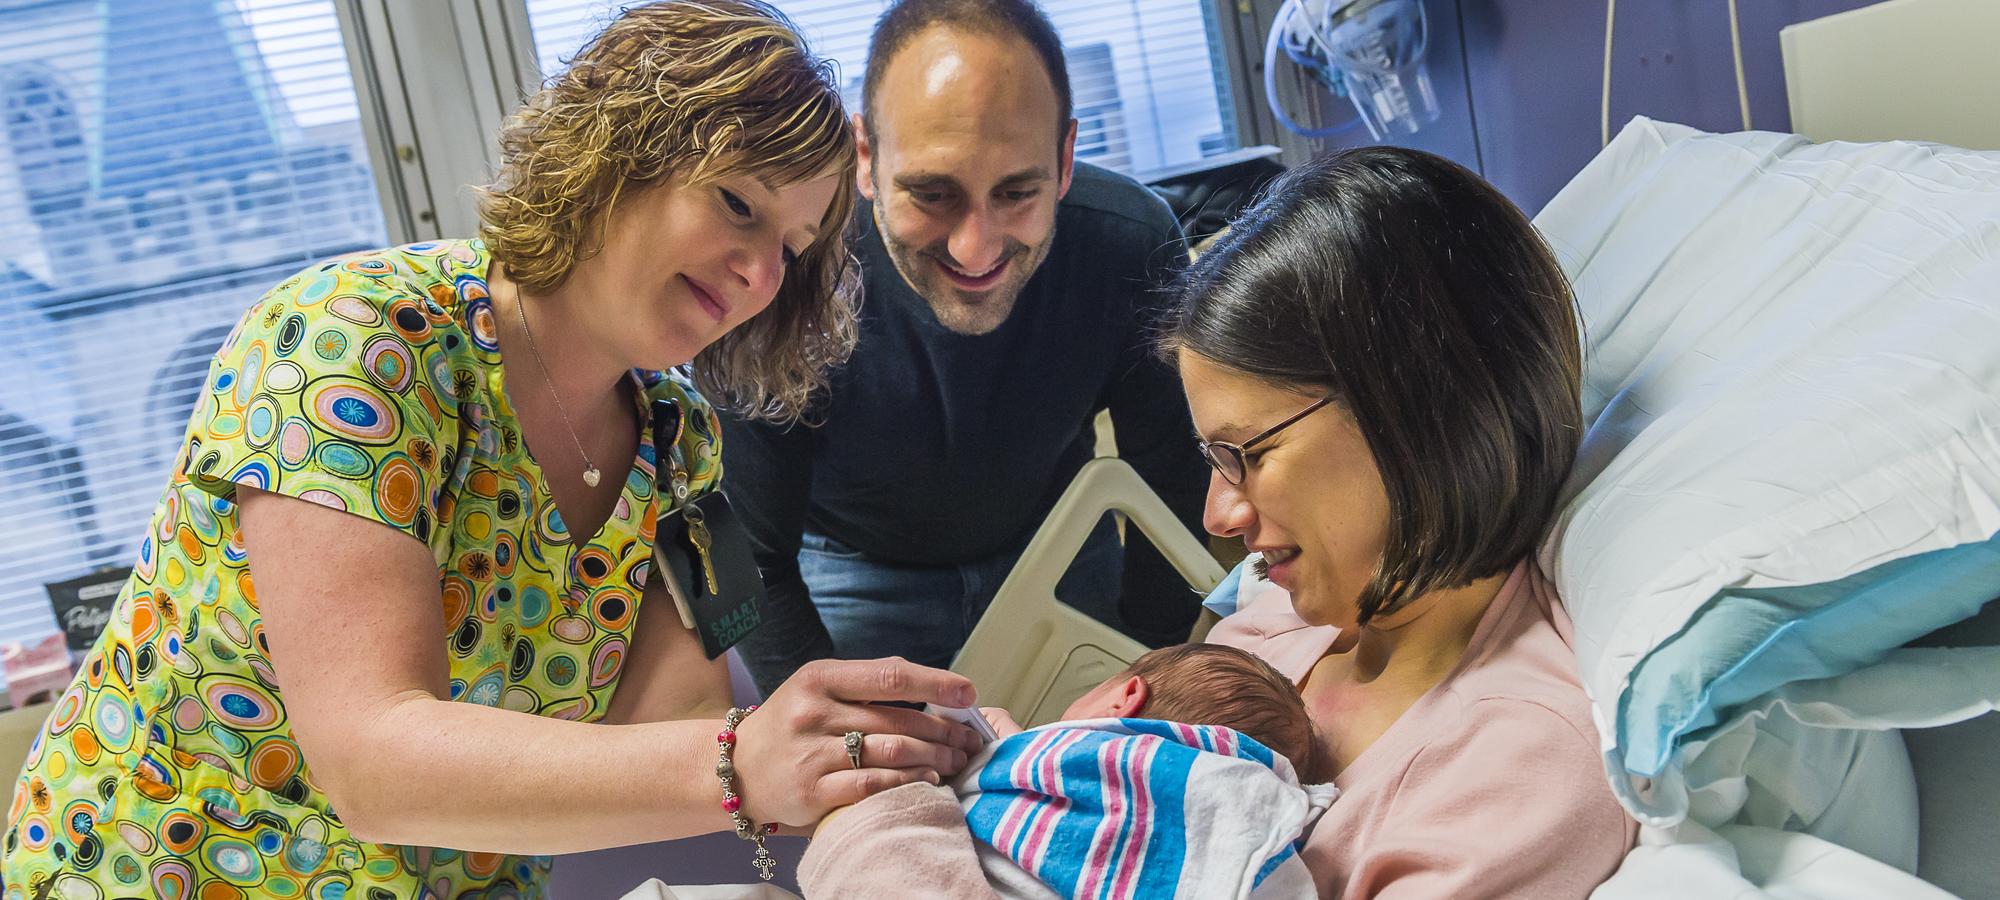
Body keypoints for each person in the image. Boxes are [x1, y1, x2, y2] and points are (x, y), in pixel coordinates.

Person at [2, 4, 984, 898]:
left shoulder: (678, 451)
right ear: (615, 152)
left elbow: (678, 734)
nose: (760, 269)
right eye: (737, 204)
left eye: (793, 243)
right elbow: (374, 762)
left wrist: (847, 764)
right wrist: (740, 763)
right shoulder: (357, 346)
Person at [791, 148, 1638, 898]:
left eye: (1248, 453)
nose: (1219, 515)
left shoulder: (1513, 779)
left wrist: (870, 829)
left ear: (1421, 413)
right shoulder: (1287, 617)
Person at [722, 0, 1211, 695]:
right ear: (866, 158)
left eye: (1017, 192)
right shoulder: (785, 267)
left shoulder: (1128, 244)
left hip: (1059, 543)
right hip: (851, 573)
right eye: (932, 194)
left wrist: (1146, 662)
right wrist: (824, 720)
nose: (975, 248)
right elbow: (745, 549)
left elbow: (1173, 474)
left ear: (1066, 159)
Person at [906, 644, 1335, 899]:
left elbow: (952, 791)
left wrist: (996, 750)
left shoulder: (1053, 754)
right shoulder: (1240, 810)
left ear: (1124, 697)